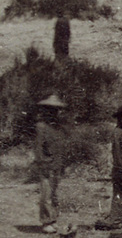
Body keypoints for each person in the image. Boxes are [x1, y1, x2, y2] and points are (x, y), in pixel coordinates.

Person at [35, 94, 67, 234]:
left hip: (57, 165)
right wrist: (43, 164)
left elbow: (60, 148)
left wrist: (62, 165)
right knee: (46, 194)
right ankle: (46, 221)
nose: (53, 112)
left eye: (55, 110)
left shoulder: (58, 128)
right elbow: (38, 148)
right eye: (50, 110)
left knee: (54, 195)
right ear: (45, 111)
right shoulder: (41, 127)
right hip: (47, 166)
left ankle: (53, 219)